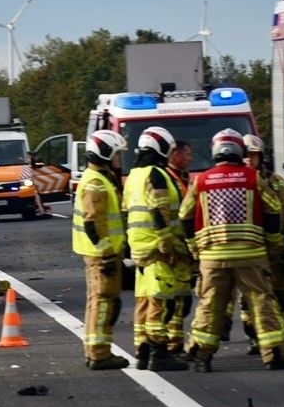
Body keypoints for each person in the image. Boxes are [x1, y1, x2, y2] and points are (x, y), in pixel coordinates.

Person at [178, 128, 284, 372]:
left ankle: (201, 355)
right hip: (251, 256)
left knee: (210, 304)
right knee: (262, 302)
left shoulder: (201, 181)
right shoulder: (253, 178)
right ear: (239, 151)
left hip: (212, 257)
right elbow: (274, 211)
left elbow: (185, 217)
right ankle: (274, 354)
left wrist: (195, 249)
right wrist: (273, 245)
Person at [124, 126, 190, 372]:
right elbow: (159, 212)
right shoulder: (157, 175)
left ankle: (143, 351)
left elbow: (126, 211)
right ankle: (159, 353)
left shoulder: (134, 176)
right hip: (158, 248)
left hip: (139, 247)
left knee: (144, 300)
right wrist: (167, 244)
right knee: (162, 301)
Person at [71, 130, 130, 371]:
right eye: (116, 154)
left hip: (101, 254)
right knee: (104, 303)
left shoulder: (100, 178)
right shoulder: (96, 182)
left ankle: (96, 350)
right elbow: (93, 223)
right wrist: (106, 253)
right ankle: (99, 353)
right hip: (101, 256)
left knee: (98, 301)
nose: (119, 159)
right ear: (105, 154)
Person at [241, 134, 284, 357]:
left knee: (281, 294)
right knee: (250, 299)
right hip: (251, 248)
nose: (248, 160)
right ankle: (256, 336)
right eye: (245, 155)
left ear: (260, 157)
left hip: (274, 248)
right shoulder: (239, 180)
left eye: (253, 155)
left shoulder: (275, 181)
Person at [164, 139, 194, 355]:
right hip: (175, 248)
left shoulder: (181, 178)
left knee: (183, 297)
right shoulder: (169, 179)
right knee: (176, 298)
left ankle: (175, 339)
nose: (191, 159)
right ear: (174, 155)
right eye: (187, 154)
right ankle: (173, 341)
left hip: (182, 247)